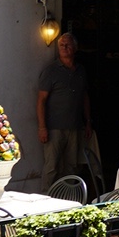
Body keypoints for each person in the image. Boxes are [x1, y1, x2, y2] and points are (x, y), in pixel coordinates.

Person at [36, 32, 91, 189]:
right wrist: (42, 127)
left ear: (75, 48)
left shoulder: (80, 70)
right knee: (52, 166)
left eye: (68, 45)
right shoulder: (51, 71)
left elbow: (84, 97)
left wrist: (88, 122)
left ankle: (67, 198)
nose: (65, 48)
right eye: (61, 45)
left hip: (74, 127)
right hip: (54, 128)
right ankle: (45, 198)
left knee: (72, 167)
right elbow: (41, 100)